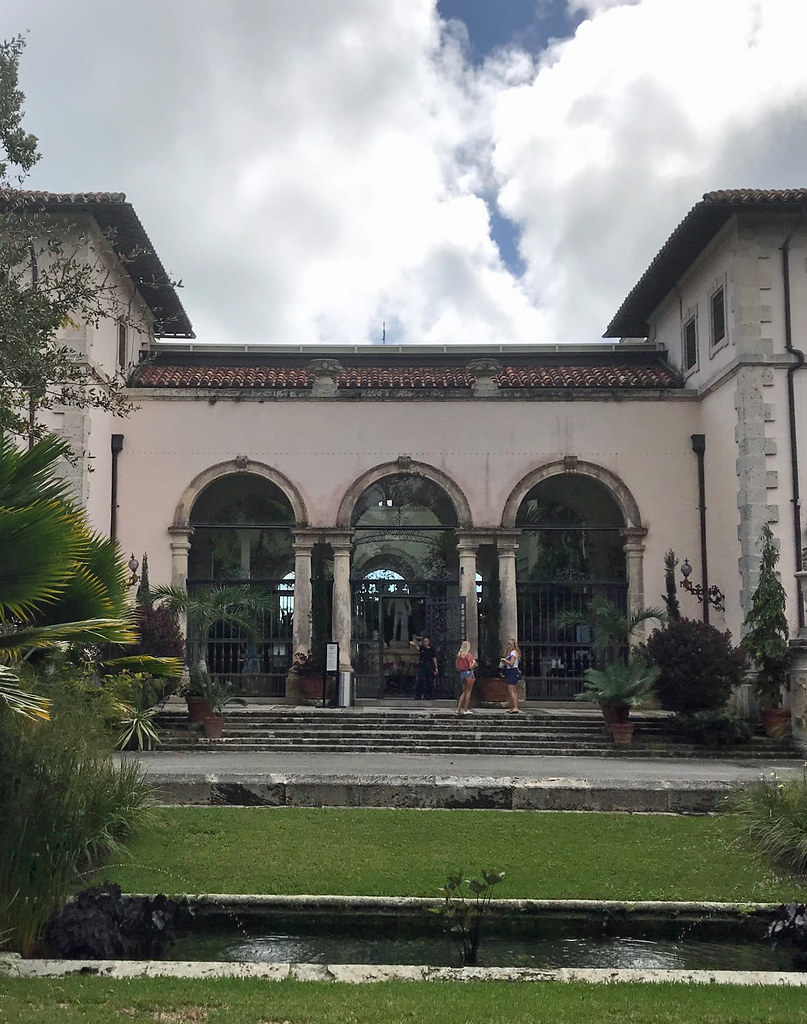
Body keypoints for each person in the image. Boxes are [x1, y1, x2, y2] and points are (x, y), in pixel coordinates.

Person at [410, 635, 438, 699]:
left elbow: (434, 658)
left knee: (430, 681)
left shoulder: (432, 649)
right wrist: (415, 644)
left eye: (426, 641)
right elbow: (417, 648)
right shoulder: (422, 648)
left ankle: (428, 695)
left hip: (430, 666)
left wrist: (436, 667)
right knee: (421, 680)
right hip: (423, 666)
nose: (425, 642)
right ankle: (419, 695)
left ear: (429, 642)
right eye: (424, 641)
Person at [455, 640, 476, 715]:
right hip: (468, 673)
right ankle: (465, 709)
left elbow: (457, 667)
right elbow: (470, 666)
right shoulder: (468, 655)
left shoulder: (459, 655)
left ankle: (458, 709)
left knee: (463, 692)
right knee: (468, 692)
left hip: (462, 673)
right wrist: (473, 663)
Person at [502, 637, 522, 714]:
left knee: (511, 690)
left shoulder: (513, 652)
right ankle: (514, 706)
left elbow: (511, 663)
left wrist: (505, 661)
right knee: (512, 690)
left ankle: (516, 707)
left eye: (508, 644)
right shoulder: (510, 653)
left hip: (512, 671)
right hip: (510, 671)